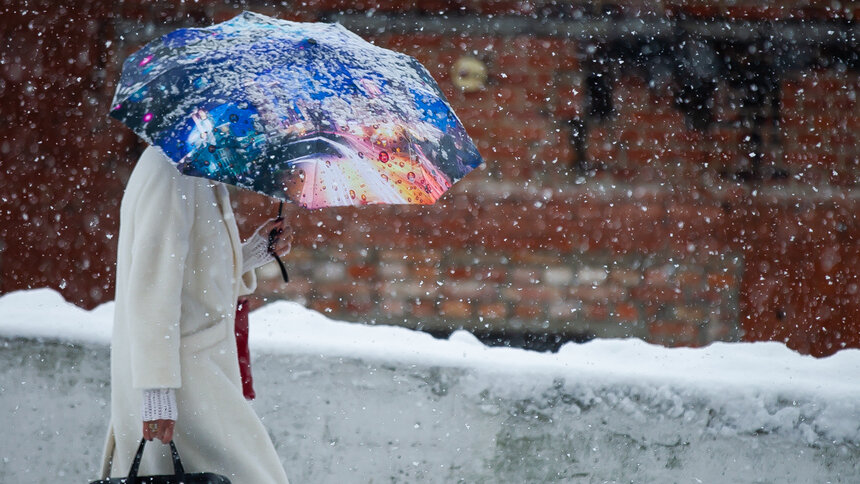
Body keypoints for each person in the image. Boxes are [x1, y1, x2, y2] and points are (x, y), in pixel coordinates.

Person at [99, 146, 292, 484]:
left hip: (195, 371)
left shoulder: (192, 169)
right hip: (186, 378)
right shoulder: (171, 170)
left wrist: (253, 252)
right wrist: (157, 389)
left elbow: (195, 274)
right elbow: (153, 283)